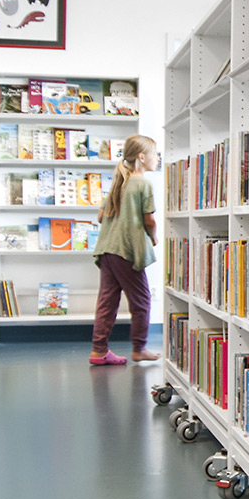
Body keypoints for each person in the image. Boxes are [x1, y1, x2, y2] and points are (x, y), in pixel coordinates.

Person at [89, 134, 161, 365]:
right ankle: (139, 348)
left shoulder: (119, 182)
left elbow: (101, 216)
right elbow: (149, 220)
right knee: (142, 301)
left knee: (107, 301)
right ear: (142, 157)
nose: (157, 159)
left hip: (107, 248)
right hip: (126, 250)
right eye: (154, 154)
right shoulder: (142, 184)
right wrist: (153, 237)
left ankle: (99, 350)